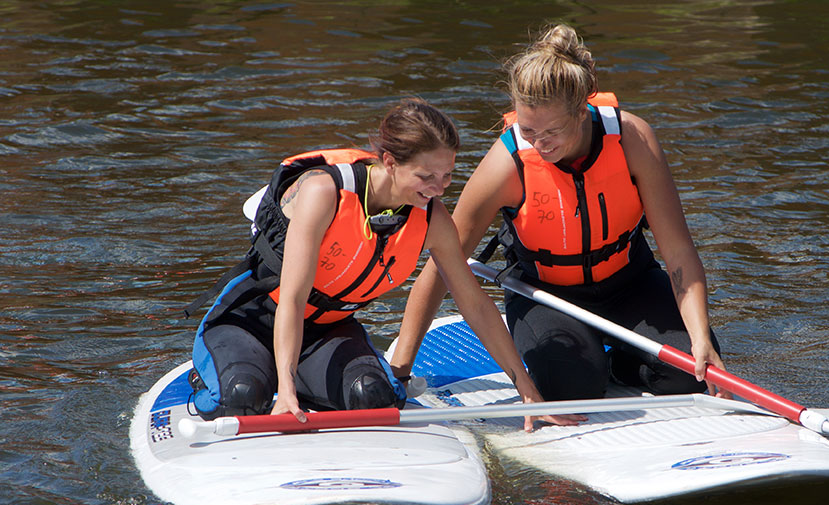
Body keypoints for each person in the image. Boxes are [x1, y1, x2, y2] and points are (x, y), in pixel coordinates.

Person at [389, 25, 728, 429]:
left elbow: (678, 251)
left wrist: (700, 335)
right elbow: (444, 263)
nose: (540, 143)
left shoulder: (634, 140)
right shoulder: (507, 164)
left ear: (582, 112)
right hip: (544, 295)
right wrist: (401, 370)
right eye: (530, 131)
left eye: (553, 131)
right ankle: (589, 363)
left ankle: (621, 362)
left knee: (688, 373)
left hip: (629, 282)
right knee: (571, 387)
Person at [187, 98, 580, 429]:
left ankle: (296, 380)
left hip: (323, 332)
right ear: (389, 162)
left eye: (446, 176)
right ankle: (245, 376)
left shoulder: (431, 216)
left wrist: (526, 389)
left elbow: (473, 302)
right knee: (242, 397)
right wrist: (286, 395)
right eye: (426, 176)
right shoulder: (324, 192)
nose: (438, 189)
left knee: (372, 397)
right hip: (252, 321)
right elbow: (291, 298)